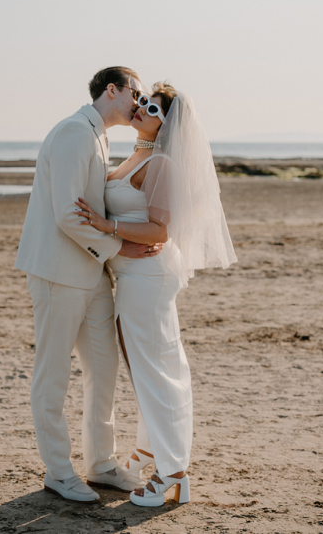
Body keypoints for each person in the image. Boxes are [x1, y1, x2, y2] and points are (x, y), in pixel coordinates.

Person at [76, 82, 236, 507]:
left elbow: (158, 231)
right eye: (143, 101)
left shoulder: (161, 163)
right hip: (132, 276)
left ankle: (174, 476)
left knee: (158, 374)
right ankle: (147, 454)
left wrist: (103, 225)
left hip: (148, 276)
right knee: (149, 369)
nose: (142, 108)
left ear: (168, 124)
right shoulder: (136, 154)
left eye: (154, 107)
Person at [14, 67, 164, 503]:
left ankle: (101, 463)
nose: (138, 102)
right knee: (53, 373)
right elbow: (66, 214)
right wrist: (119, 248)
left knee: (104, 368)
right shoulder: (74, 134)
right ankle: (58, 471)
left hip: (91, 273)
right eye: (134, 92)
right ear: (111, 90)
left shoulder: (99, 135)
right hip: (58, 272)